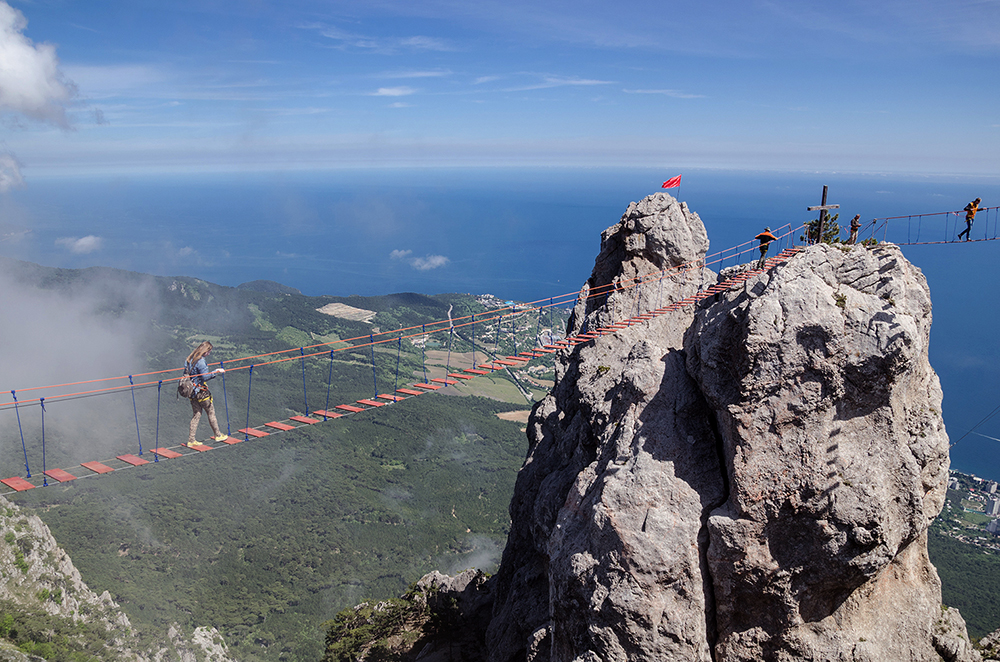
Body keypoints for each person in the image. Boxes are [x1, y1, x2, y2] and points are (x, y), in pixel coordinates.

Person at [185, 340, 227, 446]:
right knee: (211, 412)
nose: (209, 354)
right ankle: (218, 435)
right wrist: (216, 372)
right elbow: (205, 377)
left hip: (191, 392)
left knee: (196, 415)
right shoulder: (201, 361)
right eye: (209, 351)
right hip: (201, 392)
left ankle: (191, 440)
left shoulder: (189, 359)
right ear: (205, 351)